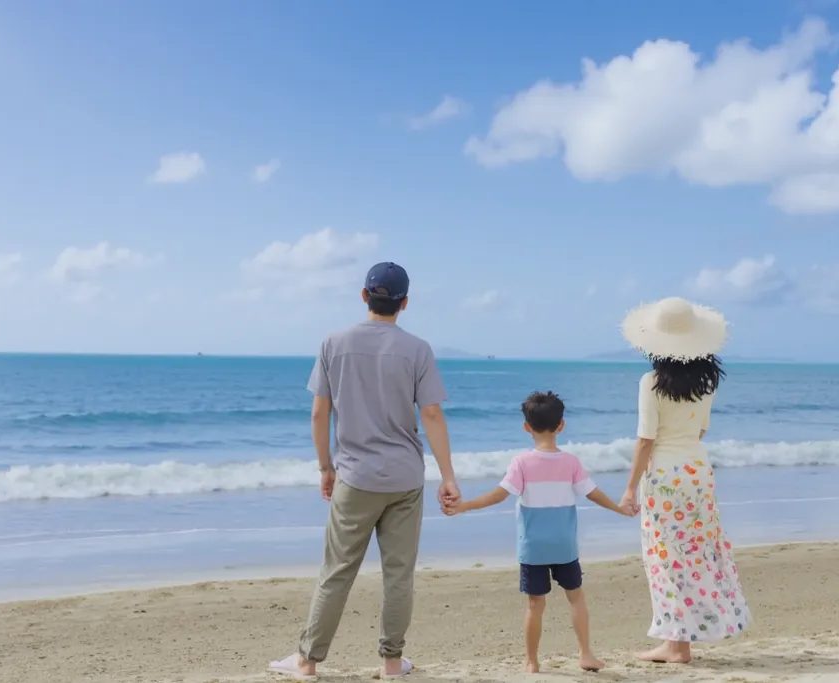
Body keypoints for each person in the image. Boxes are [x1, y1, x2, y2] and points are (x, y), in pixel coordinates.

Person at [268, 262, 461, 680]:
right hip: (406, 478)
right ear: (404, 303)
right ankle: (392, 662)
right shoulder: (417, 349)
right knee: (399, 574)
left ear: (364, 296)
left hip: (355, 476)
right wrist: (448, 476)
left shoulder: (334, 342)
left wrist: (326, 466)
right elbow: (431, 414)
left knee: (336, 571)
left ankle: (307, 661)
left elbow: (320, 413)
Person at [444, 391, 631, 674]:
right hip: (564, 545)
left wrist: (465, 505)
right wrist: (619, 508)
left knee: (535, 604)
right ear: (561, 425)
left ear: (526, 427)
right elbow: (592, 494)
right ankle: (585, 654)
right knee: (576, 597)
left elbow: (499, 495)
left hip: (533, 546)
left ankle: (532, 661)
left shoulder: (521, 462)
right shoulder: (571, 462)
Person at [618, 297, 751, 664]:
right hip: (697, 473)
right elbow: (702, 429)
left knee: (664, 557)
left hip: (664, 477)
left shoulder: (651, 383)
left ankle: (676, 645)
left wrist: (630, 487)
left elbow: (646, 439)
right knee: (696, 554)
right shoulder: (707, 384)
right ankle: (680, 641)